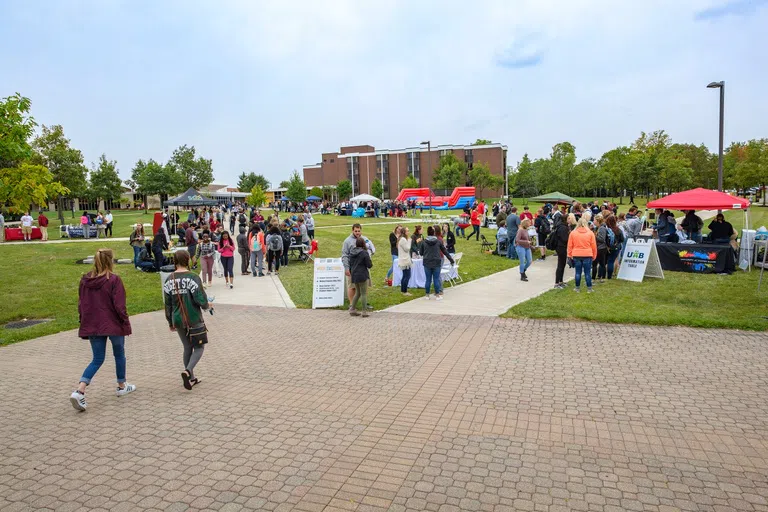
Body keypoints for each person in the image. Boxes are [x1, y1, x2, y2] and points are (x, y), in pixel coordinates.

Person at [69, 248, 135, 411]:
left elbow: (81, 303)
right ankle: (121, 385)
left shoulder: (85, 281)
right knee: (119, 354)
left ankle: (80, 390)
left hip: (93, 323)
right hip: (113, 323)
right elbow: (120, 305)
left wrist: (83, 320)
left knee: (97, 358)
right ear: (110, 261)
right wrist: (125, 321)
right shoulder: (113, 280)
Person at [163, 250, 212, 391]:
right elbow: (200, 298)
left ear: (175, 261)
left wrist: (170, 321)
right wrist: (207, 306)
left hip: (177, 318)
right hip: (193, 317)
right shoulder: (193, 277)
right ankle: (188, 371)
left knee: (187, 347)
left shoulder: (169, 279)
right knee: (199, 347)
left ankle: (191, 379)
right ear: (187, 260)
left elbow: (168, 304)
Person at [420, 226, 454, 300]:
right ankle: (437, 295)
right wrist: (451, 259)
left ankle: (427, 295)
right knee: (436, 279)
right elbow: (445, 251)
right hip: (436, 262)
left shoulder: (423, 242)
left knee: (428, 279)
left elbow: (421, 253)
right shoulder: (438, 242)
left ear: (427, 233)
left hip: (427, 262)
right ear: (434, 233)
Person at [568, 216, 597, 293]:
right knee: (587, 272)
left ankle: (577, 288)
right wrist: (594, 255)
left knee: (578, 272)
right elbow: (594, 246)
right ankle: (589, 288)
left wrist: (570, 255)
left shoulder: (573, 233)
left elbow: (570, 245)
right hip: (587, 254)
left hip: (576, 254)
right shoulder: (590, 233)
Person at [348, 237, 373, 316]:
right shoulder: (364, 253)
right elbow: (369, 265)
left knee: (358, 293)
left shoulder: (352, 253)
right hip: (362, 274)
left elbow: (350, 264)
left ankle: (352, 309)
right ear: (363, 244)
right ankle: (364, 311)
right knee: (363, 293)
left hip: (354, 275)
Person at [341, 223, 363, 304]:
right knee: (352, 287)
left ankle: (363, 303)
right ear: (352, 231)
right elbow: (344, 255)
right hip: (352, 268)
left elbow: (370, 249)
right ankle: (351, 304)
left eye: (359, 231)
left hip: (362, 268)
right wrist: (347, 268)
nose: (357, 233)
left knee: (362, 287)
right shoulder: (347, 241)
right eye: (356, 231)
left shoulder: (363, 239)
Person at [552, 212, 570, 289]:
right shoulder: (563, 227)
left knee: (562, 265)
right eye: (569, 218)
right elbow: (564, 239)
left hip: (562, 247)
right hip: (561, 248)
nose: (570, 219)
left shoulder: (563, 226)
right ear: (565, 219)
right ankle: (556, 283)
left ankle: (561, 281)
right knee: (560, 265)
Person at [604, 214, 624, 279]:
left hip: (607, 247)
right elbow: (622, 239)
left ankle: (602, 274)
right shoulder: (618, 229)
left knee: (606, 261)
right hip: (616, 248)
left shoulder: (606, 230)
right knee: (611, 261)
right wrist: (617, 243)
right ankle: (609, 276)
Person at [592, 214, 609, 282]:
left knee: (600, 264)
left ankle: (601, 277)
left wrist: (594, 235)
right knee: (596, 264)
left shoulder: (602, 228)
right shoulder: (597, 227)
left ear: (598, 221)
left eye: (594, 220)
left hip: (601, 249)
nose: (593, 221)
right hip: (598, 248)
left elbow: (602, 239)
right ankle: (596, 277)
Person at [397, 226, 413, 296]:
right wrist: (409, 241)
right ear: (404, 232)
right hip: (405, 260)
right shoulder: (403, 239)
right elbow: (407, 249)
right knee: (407, 275)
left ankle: (403, 290)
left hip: (404, 259)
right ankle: (404, 291)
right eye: (407, 231)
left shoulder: (402, 239)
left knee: (405, 275)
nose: (408, 232)